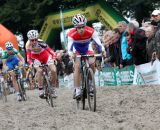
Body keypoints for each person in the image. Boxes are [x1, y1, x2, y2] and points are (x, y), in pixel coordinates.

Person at [67, 14, 104, 99]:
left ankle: (90, 85)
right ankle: (77, 89)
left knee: (92, 63)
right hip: (77, 50)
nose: (81, 29)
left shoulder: (91, 31)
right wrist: (71, 54)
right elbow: (69, 49)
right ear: (75, 27)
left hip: (87, 48)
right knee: (77, 66)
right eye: (79, 27)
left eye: (83, 27)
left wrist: (103, 50)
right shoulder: (71, 34)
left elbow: (99, 43)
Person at [25, 30, 58, 98]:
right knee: (39, 71)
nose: (34, 42)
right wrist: (30, 63)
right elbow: (28, 58)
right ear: (29, 40)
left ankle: (53, 88)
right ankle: (41, 89)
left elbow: (51, 52)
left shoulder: (41, 42)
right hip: (35, 58)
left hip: (45, 55)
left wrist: (54, 58)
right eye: (32, 40)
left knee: (54, 70)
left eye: (35, 39)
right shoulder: (28, 45)